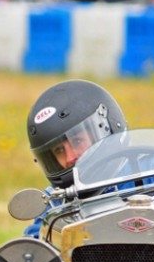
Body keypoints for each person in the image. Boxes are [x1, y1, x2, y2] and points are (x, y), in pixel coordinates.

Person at [23, 81, 129, 237]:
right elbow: (36, 245)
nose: (70, 157)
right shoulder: (56, 201)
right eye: (59, 150)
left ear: (108, 128)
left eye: (77, 141)